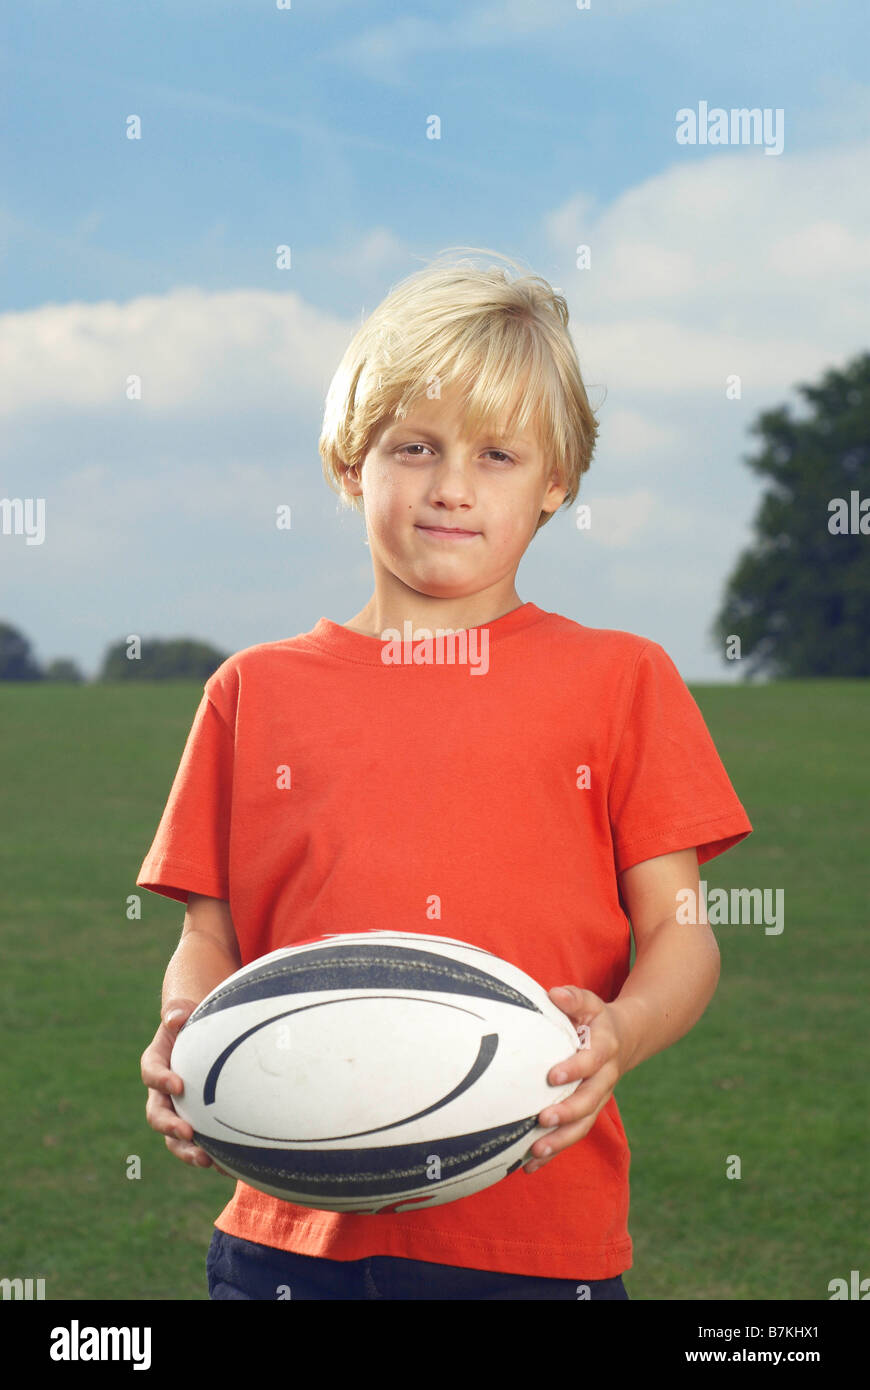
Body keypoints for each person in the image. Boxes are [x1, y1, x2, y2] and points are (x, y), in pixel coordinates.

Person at [138, 248, 752, 1301]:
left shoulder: (623, 681)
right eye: (414, 447)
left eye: (498, 454)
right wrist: (191, 1032)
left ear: (556, 481)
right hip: (287, 1243)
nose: (452, 487)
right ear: (352, 464)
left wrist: (620, 1031)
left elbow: (681, 937)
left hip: (535, 1240)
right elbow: (209, 938)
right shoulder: (252, 691)